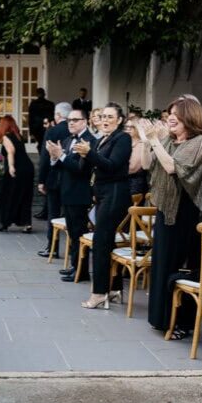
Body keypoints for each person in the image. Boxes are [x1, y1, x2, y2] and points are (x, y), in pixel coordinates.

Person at [137, 98, 202, 332]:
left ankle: (181, 322)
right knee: (162, 264)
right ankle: (161, 319)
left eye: (176, 115)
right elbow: (146, 164)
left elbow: (173, 168)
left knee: (180, 267)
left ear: (190, 118)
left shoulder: (201, 142)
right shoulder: (168, 140)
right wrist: (144, 142)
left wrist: (153, 140)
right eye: (170, 113)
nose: (170, 117)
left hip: (186, 213)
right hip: (166, 209)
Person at [75, 104, 132, 308]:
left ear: (119, 120)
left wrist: (90, 153)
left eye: (110, 117)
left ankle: (99, 293)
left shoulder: (122, 138)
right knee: (107, 241)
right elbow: (86, 168)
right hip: (101, 194)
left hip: (115, 193)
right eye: (102, 116)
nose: (105, 120)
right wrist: (84, 155)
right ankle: (115, 289)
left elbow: (112, 165)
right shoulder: (100, 140)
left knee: (100, 242)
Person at [46, 109, 96, 281]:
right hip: (67, 191)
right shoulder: (67, 139)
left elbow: (81, 169)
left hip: (79, 193)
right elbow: (60, 165)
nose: (71, 123)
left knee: (79, 233)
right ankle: (76, 266)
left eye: (75, 119)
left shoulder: (89, 141)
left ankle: (81, 271)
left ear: (85, 121)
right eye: (69, 120)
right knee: (73, 234)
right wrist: (54, 157)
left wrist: (61, 155)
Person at [36, 102, 71, 260]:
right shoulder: (74, 130)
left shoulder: (53, 131)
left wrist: (41, 180)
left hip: (54, 177)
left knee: (53, 213)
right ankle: (72, 248)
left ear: (57, 115)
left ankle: (53, 248)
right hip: (71, 178)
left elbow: (45, 157)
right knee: (71, 214)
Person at [0, 115, 35, 232]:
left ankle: (3, 222)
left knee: (6, 195)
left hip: (17, 168)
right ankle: (27, 224)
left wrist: (10, 167)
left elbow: (10, 152)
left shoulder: (6, 136)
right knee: (25, 196)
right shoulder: (18, 136)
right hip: (28, 168)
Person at [27, 87, 54, 152]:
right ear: (44, 94)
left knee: (42, 143)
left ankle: (43, 157)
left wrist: (31, 132)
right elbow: (52, 117)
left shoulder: (33, 104)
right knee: (43, 143)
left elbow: (30, 118)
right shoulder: (50, 104)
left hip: (38, 127)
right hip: (44, 127)